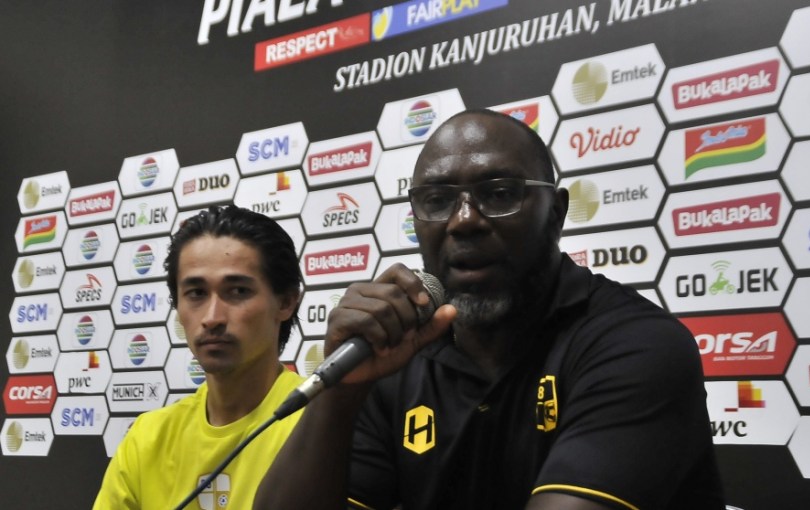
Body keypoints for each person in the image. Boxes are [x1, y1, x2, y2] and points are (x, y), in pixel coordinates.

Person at [253, 109, 725, 510]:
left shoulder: (635, 344)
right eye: (437, 200)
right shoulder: (394, 356)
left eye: (499, 194)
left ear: (556, 213)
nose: (464, 221)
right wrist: (340, 395)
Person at [94, 204, 304, 509]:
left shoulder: (320, 422)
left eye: (238, 291)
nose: (212, 317)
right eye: (196, 293)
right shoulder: (147, 438)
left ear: (286, 302)